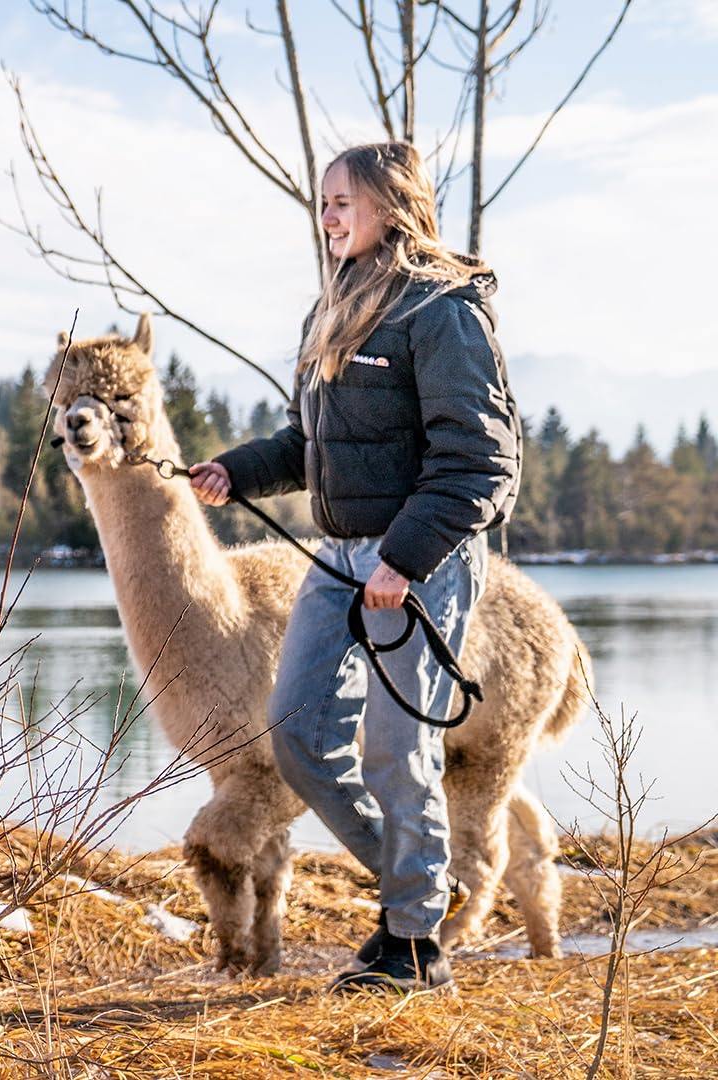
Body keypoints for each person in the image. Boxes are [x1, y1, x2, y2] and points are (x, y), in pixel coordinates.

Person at [187, 141, 520, 994]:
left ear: (391, 202)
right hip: (336, 558)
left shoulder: (443, 311)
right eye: (324, 201)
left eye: (343, 200)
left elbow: (480, 460)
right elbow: (312, 446)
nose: (328, 214)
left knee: (395, 746)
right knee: (297, 736)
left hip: (420, 558)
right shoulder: (334, 306)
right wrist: (239, 470)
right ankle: (422, 892)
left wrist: (404, 560)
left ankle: (414, 946)